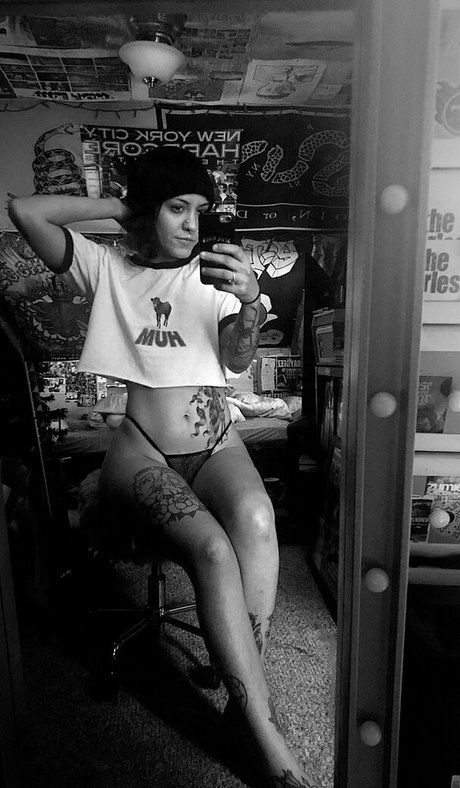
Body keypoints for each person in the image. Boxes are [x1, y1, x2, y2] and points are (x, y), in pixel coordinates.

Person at [8, 146, 317, 788]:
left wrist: (252, 304)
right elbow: (26, 211)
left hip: (216, 440)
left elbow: (236, 360)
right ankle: (265, 735)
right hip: (143, 447)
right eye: (177, 208)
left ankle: (243, 698)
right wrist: (126, 207)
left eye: (199, 210)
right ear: (150, 210)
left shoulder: (215, 276)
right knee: (212, 550)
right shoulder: (106, 267)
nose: (191, 224)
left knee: (258, 521)